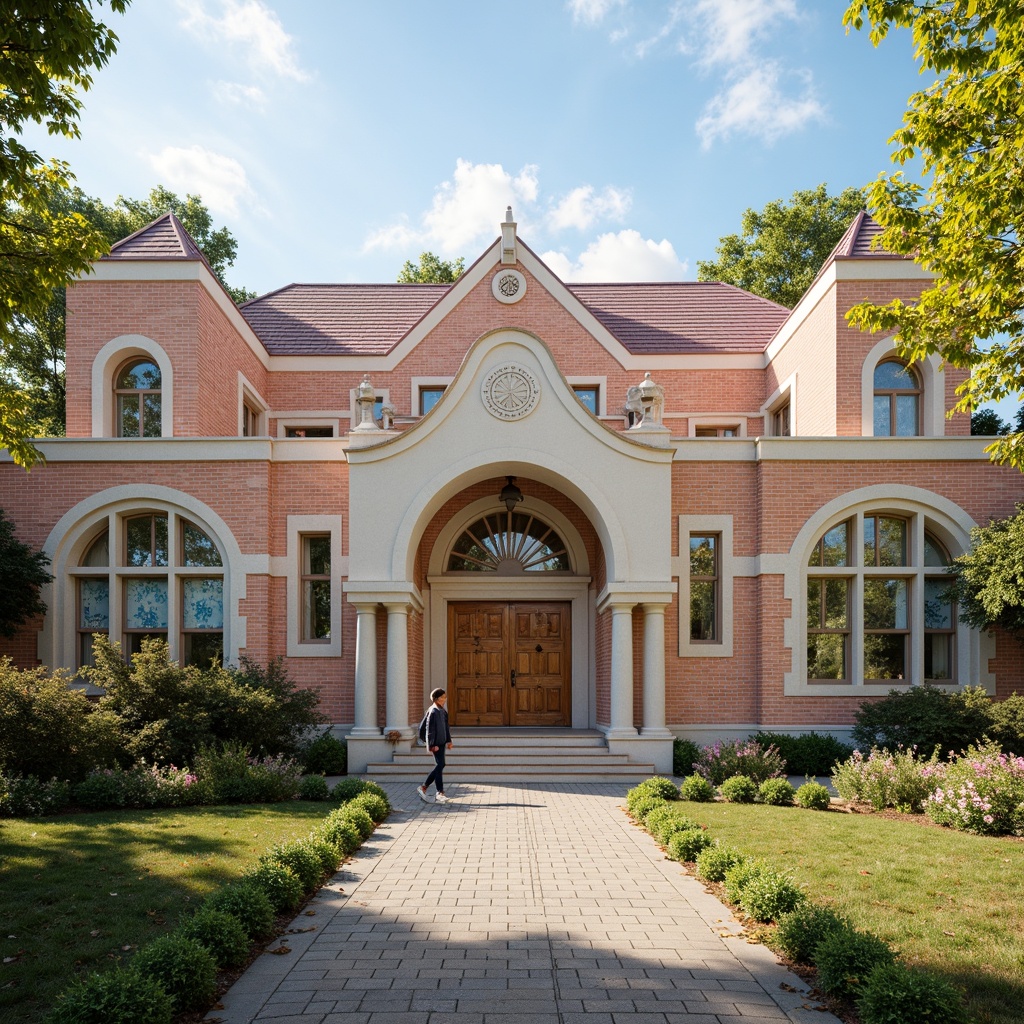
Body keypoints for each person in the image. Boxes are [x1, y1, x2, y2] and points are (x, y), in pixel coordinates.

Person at [417, 687, 453, 804]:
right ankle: (438, 791)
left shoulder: (442, 711)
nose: (445, 699)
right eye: (442, 697)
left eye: (445, 697)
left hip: (442, 742)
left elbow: (446, 728)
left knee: (440, 765)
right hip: (436, 744)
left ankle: (427, 788)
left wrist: (449, 741)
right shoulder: (433, 711)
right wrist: (432, 745)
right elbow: (430, 729)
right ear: (436, 699)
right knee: (441, 764)